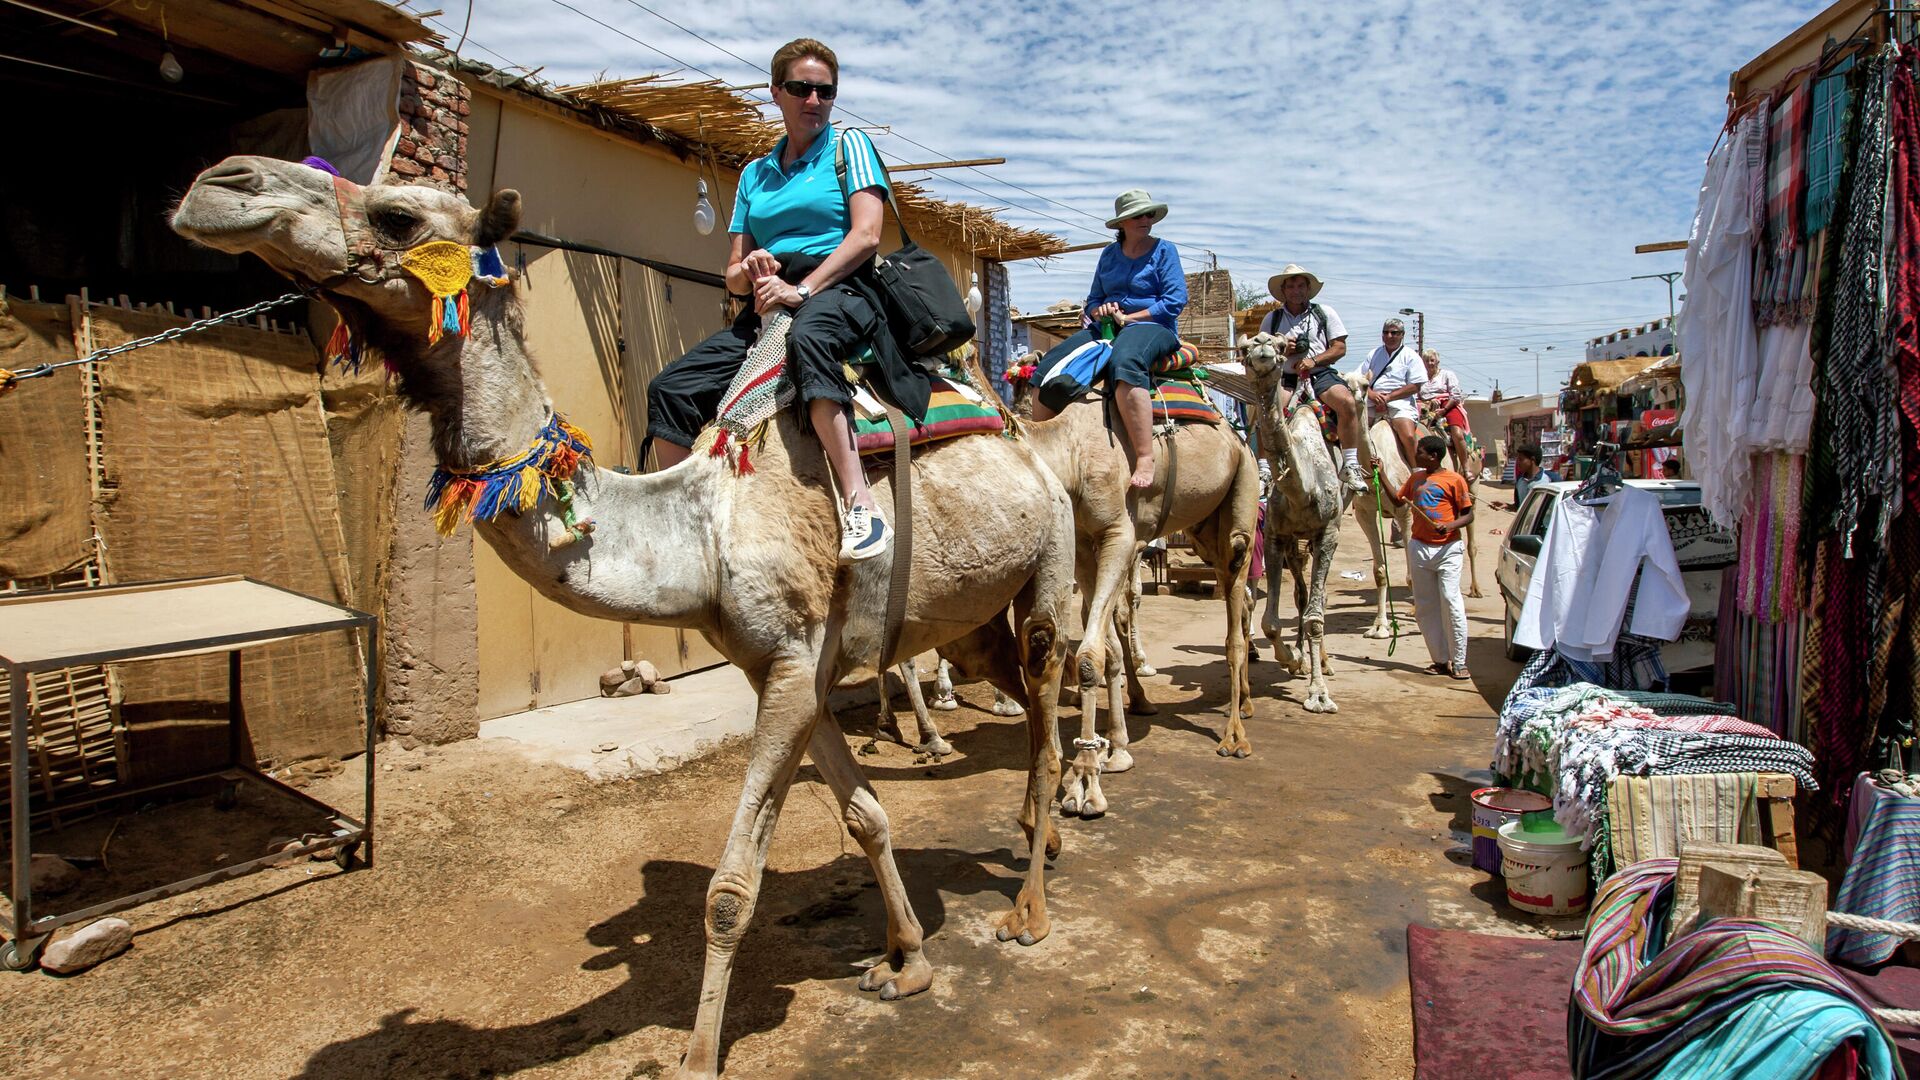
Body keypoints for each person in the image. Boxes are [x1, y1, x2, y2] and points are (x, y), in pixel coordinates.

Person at [642, 38, 926, 562]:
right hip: (767, 302)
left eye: (825, 90)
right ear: (777, 92)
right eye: (801, 88)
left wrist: (803, 289)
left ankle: (859, 501)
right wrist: (750, 272)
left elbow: (866, 236)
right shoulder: (754, 174)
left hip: (842, 289)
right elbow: (730, 275)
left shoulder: (850, 148)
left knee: (811, 337)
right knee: (670, 388)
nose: (814, 99)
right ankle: (682, 519)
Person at [1031, 189, 1187, 488]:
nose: (1146, 219)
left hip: (1154, 326)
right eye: (1138, 215)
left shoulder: (1165, 250)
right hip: (1107, 328)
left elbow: (1174, 301)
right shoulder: (1109, 255)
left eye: (1148, 214)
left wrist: (1132, 317)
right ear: (1122, 223)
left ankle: (1144, 456)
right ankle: (1042, 446)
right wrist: (1099, 309)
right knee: (1048, 366)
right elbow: (1092, 300)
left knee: (1125, 360)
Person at [1258, 265, 1366, 492]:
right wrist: (1282, 348)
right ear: (1284, 290)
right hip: (1285, 375)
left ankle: (1351, 464)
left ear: (1308, 288)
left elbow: (1339, 348)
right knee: (1266, 411)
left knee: (1347, 402)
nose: (1296, 290)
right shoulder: (1272, 318)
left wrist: (1314, 360)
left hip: (1320, 374)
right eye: (1291, 286)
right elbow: (1263, 351)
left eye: (1300, 286)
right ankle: (1264, 469)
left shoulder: (1324, 312)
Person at [1392, 435, 1475, 679]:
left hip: (1448, 548)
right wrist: (1382, 473)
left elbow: (1468, 515)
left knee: (1450, 600)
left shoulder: (1455, 480)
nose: (1416, 455)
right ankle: (1439, 660)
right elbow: (1397, 501)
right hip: (1419, 547)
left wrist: (1449, 525)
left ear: (1433, 456)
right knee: (1425, 606)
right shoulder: (1416, 478)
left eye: (1420, 452)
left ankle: (1459, 662)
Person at [1363, 319, 1426, 466]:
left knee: (1408, 436)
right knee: (1354, 432)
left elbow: (1416, 385)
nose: (1389, 336)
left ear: (1402, 335)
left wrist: (1389, 397)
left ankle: (1417, 471)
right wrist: (1372, 394)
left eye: (1394, 332)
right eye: (1385, 332)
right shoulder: (1373, 354)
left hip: (1399, 403)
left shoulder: (1410, 356)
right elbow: (1361, 377)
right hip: (1372, 400)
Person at [1418, 348, 1473, 476]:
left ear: (1437, 361)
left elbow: (1455, 395)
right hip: (1425, 406)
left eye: (1432, 360)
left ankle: (1465, 468)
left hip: (1448, 405)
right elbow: (1416, 396)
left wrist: (1444, 410)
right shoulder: (1419, 378)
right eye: (1427, 361)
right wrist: (1426, 404)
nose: (1430, 363)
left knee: (1457, 433)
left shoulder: (1447, 375)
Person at [1495, 444, 1559, 510]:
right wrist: (1507, 505)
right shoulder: (1520, 481)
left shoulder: (1551, 479)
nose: (1517, 462)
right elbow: (1519, 506)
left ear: (1532, 460)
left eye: (1521, 459)